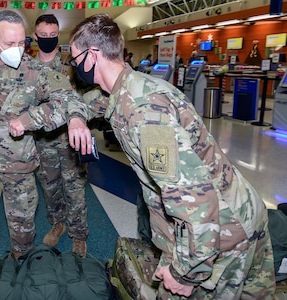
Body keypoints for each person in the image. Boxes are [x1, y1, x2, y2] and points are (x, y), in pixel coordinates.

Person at [64, 14, 275, 299]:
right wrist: (76, 117)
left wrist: (185, 274)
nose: (74, 67)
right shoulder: (129, 87)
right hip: (234, 212)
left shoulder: (143, 111)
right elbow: (88, 102)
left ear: (92, 56)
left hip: (223, 233)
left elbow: (195, 201)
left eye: (75, 60)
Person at [0, 10, 83, 300]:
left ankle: (20, 265)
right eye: (11, 43)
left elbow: (67, 98)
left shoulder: (33, 69)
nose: (18, 50)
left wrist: (32, 119)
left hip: (18, 162)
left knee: (22, 221)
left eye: (23, 42)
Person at [32, 14, 88, 257]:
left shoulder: (71, 64)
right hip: (42, 142)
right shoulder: (27, 67)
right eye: (43, 36)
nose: (48, 39)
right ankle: (58, 224)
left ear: (58, 35)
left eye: (52, 35)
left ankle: (79, 235)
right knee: (50, 187)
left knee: (75, 188)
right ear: (35, 37)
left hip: (69, 140)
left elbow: (86, 96)